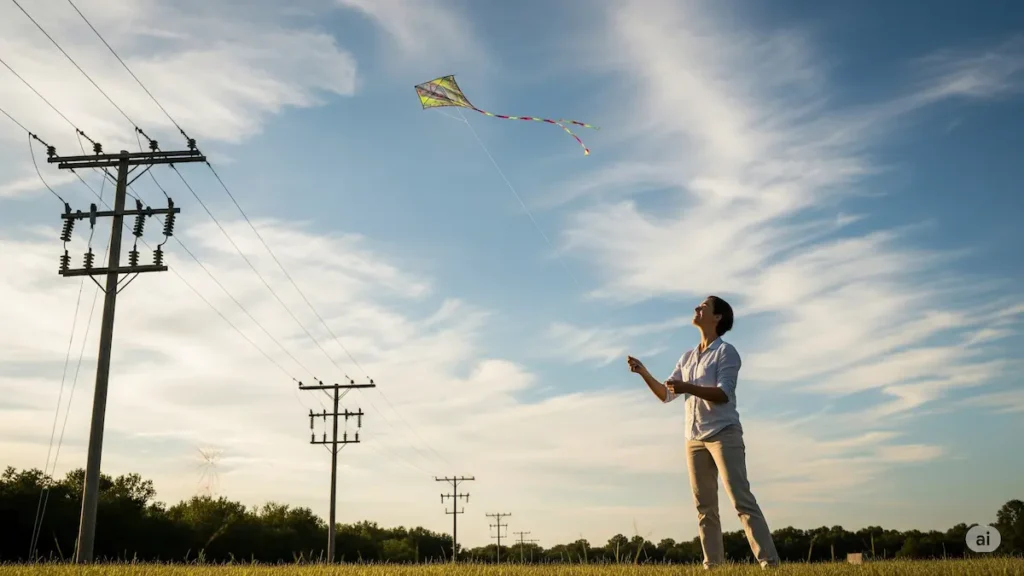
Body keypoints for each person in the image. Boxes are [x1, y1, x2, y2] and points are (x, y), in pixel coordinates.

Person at [627, 295, 780, 569]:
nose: (697, 309)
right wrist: (644, 372)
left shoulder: (726, 352)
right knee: (704, 508)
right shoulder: (687, 357)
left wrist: (689, 388)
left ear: (717, 317)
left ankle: (769, 562)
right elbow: (666, 394)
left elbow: (724, 393)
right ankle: (713, 566)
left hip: (724, 434)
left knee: (741, 499)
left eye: (703, 307)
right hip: (694, 439)